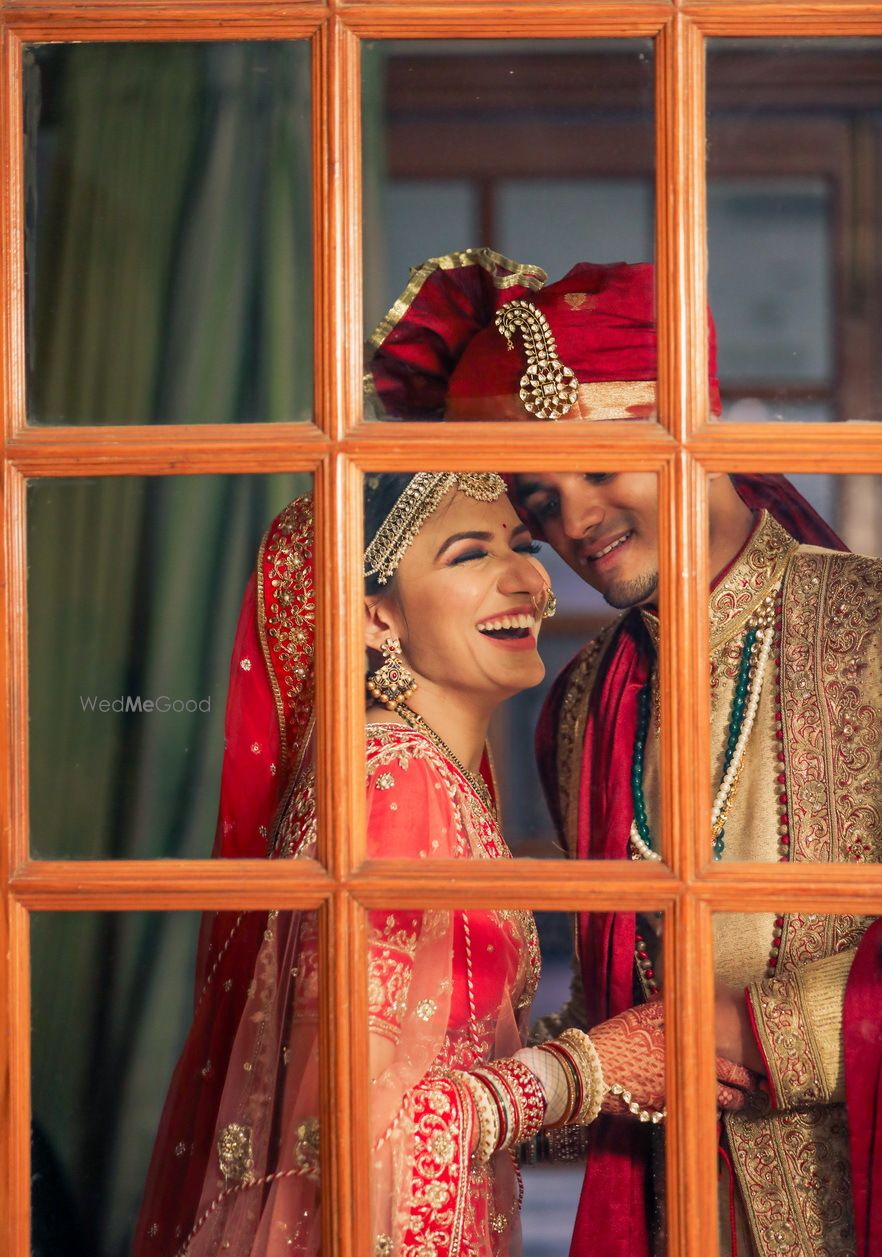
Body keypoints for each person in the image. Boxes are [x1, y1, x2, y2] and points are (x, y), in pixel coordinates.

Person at [363, 249, 882, 1257]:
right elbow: (614, 1017)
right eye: (539, 500)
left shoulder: (868, 627)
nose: (575, 522)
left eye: (599, 467)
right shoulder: (582, 699)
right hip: (670, 1211)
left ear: (695, 422)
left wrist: (759, 1032)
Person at [133, 470, 756, 1257]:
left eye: (524, 547)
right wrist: (583, 1070)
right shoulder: (394, 784)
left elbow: (442, 1099)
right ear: (373, 614)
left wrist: (616, 1074)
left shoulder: (420, 774)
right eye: (469, 554)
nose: (528, 578)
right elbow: (353, 1141)